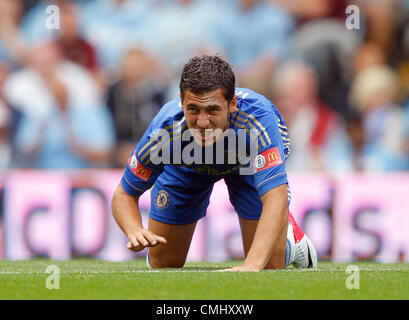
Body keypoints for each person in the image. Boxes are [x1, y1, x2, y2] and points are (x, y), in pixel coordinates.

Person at [111, 55, 317, 271]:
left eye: (212, 110)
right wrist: (134, 229)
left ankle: (291, 240)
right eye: (193, 110)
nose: (202, 122)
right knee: (163, 264)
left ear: (232, 104)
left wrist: (251, 266)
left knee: (269, 266)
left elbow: (276, 197)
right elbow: (124, 193)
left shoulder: (259, 120)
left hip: (247, 166)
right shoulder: (165, 128)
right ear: (181, 102)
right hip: (186, 168)